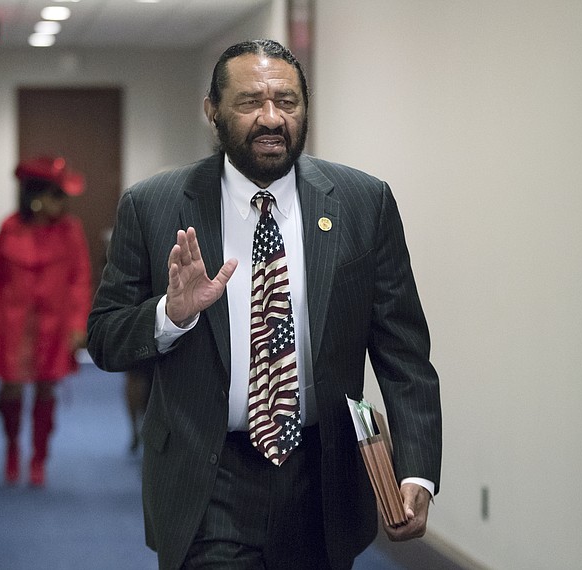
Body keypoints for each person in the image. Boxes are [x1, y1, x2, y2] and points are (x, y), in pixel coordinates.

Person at [87, 39, 442, 570]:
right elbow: (105, 339)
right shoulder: (153, 205)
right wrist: (171, 315)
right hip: (208, 479)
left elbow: (403, 352)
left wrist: (416, 471)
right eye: (250, 102)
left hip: (323, 475)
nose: (271, 118)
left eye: (288, 102)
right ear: (213, 111)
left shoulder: (363, 203)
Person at [0, 156, 93, 487]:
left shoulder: (71, 231)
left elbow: (79, 279)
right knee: (10, 389)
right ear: (36, 197)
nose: (62, 204)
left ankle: (39, 457)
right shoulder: (9, 227)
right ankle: (13, 447)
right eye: (56, 195)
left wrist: (76, 324)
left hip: (53, 325)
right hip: (12, 323)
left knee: (46, 390)